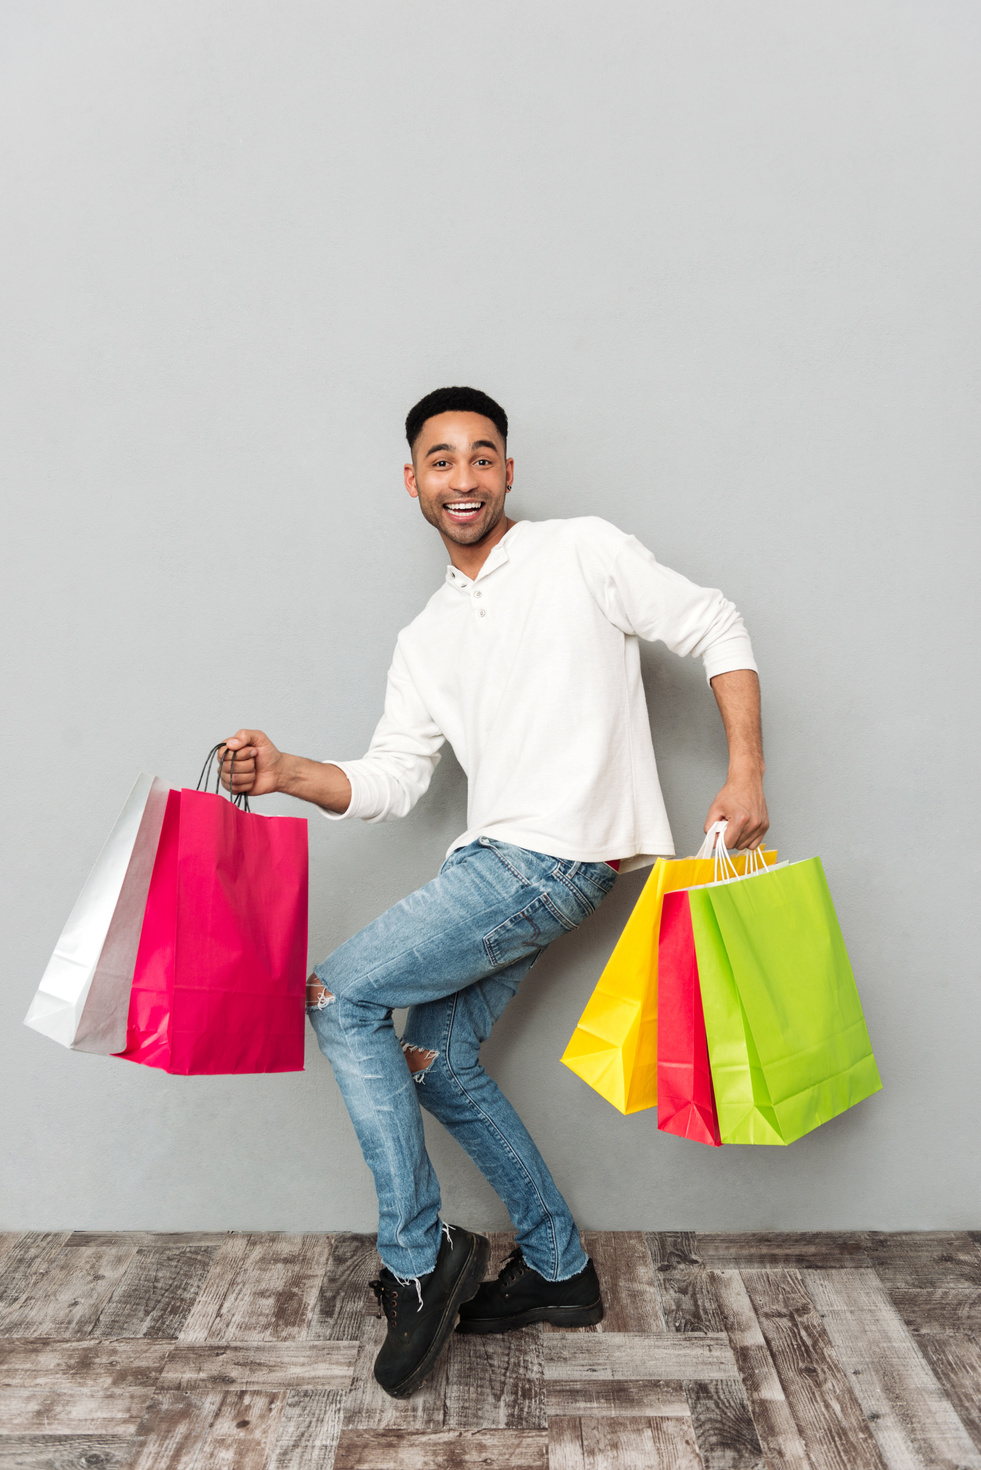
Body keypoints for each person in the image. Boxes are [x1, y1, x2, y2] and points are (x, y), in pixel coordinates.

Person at [218, 385, 768, 1398]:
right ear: (413, 481)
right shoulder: (425, 636)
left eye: (482, 457)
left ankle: (417, 1264)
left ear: (507, 470)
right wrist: (290, 771)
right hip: (501, 867)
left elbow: (714, 622)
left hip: (546, 862)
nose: (462, 478)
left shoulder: (580, 551)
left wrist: (746, 773)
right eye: (441, 461)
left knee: (341, 996)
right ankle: (558, 1271)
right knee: (436, 1056)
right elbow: (393, 776)